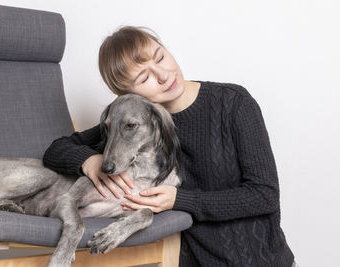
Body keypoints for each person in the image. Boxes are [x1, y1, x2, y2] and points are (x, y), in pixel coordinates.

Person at [43, 26, 295, 267]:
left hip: (262, 261)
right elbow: (56, 149)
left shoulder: (233, 103)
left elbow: (265, 195)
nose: (164, 75)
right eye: (144, 77)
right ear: (128, 95)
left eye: (160, 57)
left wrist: (181, 200)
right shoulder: (132, 124)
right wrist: (90, 161)